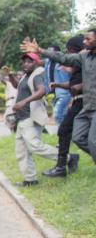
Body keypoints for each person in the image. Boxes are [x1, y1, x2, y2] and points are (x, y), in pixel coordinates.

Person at [23, 31, 96, 166]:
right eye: (84, 39)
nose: (84, 42)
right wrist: (40, 50)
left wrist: (81, 85)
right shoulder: (85, 56)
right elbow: (64, 58)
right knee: (78, 137)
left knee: (92, 140)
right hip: (87, 106)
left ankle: (63, 165)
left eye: (88, 39)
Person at [4, 52, 58, 186]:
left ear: (36, 63)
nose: (26, 64)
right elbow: (18, 86)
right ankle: (30, 179)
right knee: (21, 151)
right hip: (21, 118)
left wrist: (23, 102)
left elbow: (41, 91)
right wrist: (10, 75)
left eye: (29, 61)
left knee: (35, 146)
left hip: (30, 117)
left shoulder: (37, 75)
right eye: (24, 62)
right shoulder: (26, 76)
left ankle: (66, 158)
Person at [42, 35, 85, 177]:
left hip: (85, 101)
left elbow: (86, 83)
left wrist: (39, 50)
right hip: (78, 100)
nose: (68, 53)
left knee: (68, 131)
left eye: (70, 50)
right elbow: (74, 85)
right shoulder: (80, 64)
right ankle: (62, 166)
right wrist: (59, 84)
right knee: (72, 133)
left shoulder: (84, 61)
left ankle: (61, 167)